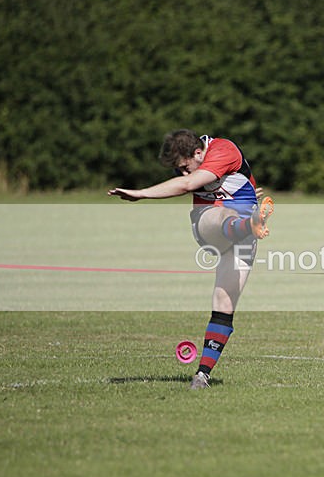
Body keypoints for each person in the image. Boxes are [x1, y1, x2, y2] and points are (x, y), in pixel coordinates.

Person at [108, 129, 273, 389]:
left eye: (185, 168)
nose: (183, 174)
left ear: (198, 153)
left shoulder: (223, 150)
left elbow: (188, 185)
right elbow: (192, 183)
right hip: (209, 225)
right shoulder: (195, 162)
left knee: (224, 301)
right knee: (221, 215)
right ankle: (247, 224)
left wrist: (140, 194)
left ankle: (202, 375)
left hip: (243, 235)